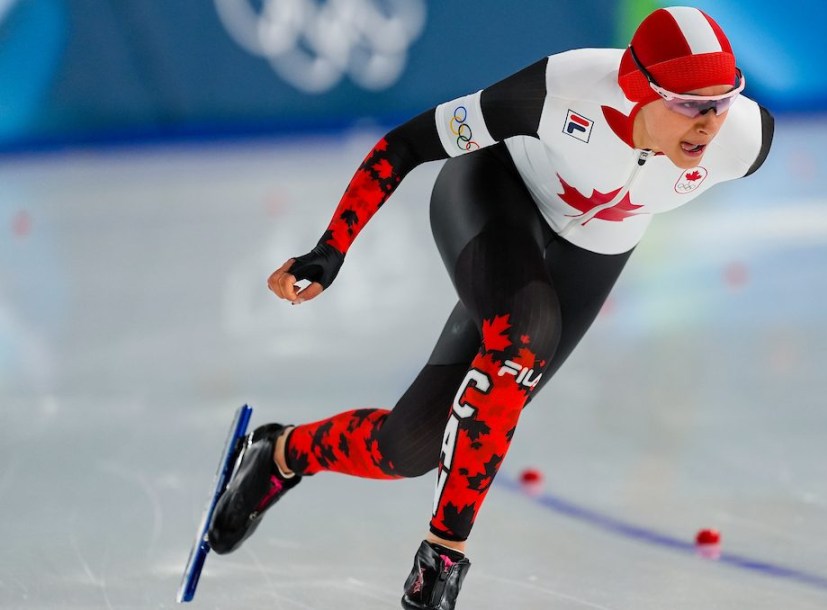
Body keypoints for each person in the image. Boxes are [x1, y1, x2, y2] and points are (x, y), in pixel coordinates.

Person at [207, 6, 773, 609]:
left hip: (594, 248)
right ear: (639, 90)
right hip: (495, 194)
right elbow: (405, 144)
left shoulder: (743, 137)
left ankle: (282, 454)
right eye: (689, 103)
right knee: (528, 332)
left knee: (411, 448)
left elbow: (737, 124)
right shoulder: (563, 91)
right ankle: (440, 565)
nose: (710, 121)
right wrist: (331, 248)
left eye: (721, 101)